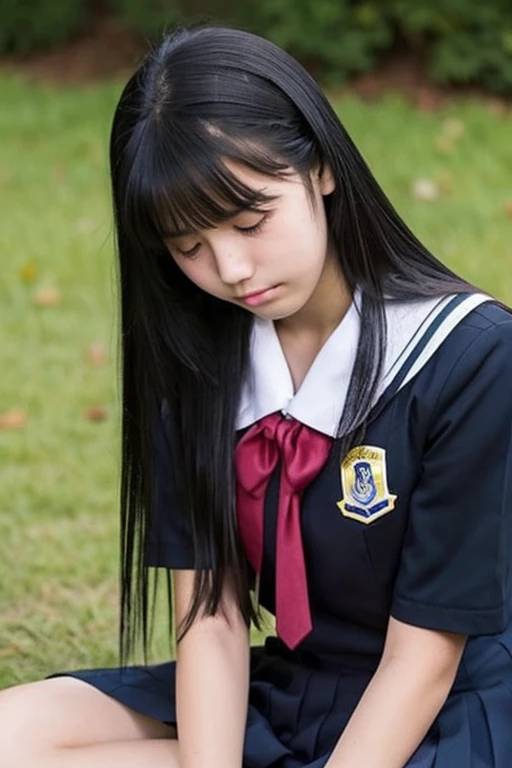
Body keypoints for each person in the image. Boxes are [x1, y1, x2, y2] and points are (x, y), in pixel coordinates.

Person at [1, 22, 511, 768]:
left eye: (250, 219)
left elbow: (423, 662)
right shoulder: (204, 355)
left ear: (322, 167)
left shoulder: (467, 356)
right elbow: (211, 619)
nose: (232, 269)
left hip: (447, 704)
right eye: (188, 247)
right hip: (295, 686)